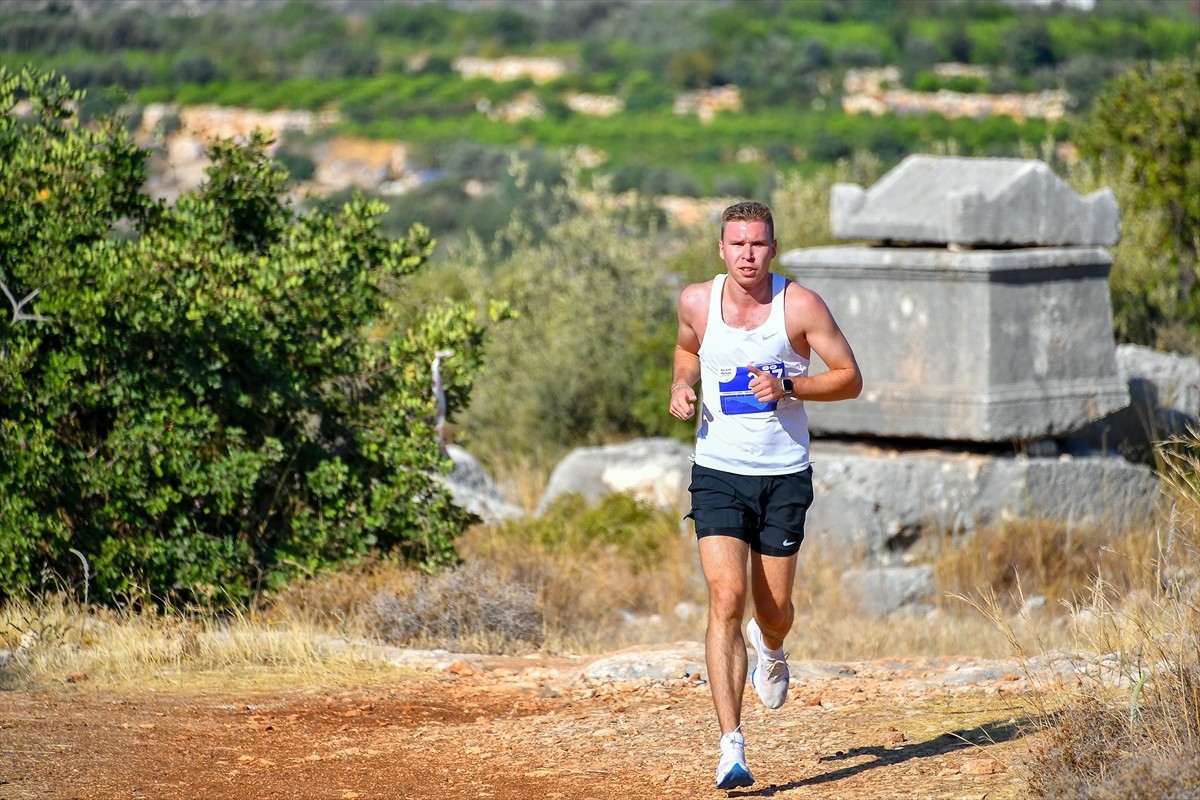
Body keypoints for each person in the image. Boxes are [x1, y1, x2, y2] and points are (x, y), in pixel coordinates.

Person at [669, 200, 862, 789]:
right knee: (725, 598)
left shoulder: (797, 305)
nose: (747, 254)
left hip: (783, 474)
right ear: (721, 249)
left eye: (757, 244)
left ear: (771, 248)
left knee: (772, 611)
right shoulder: (697, 301)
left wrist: (789, 385)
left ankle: (771, 647)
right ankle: (731, 746)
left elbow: (850, 377)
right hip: (718, 471)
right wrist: (681, 384)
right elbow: (685, 349)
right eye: (736, 244)